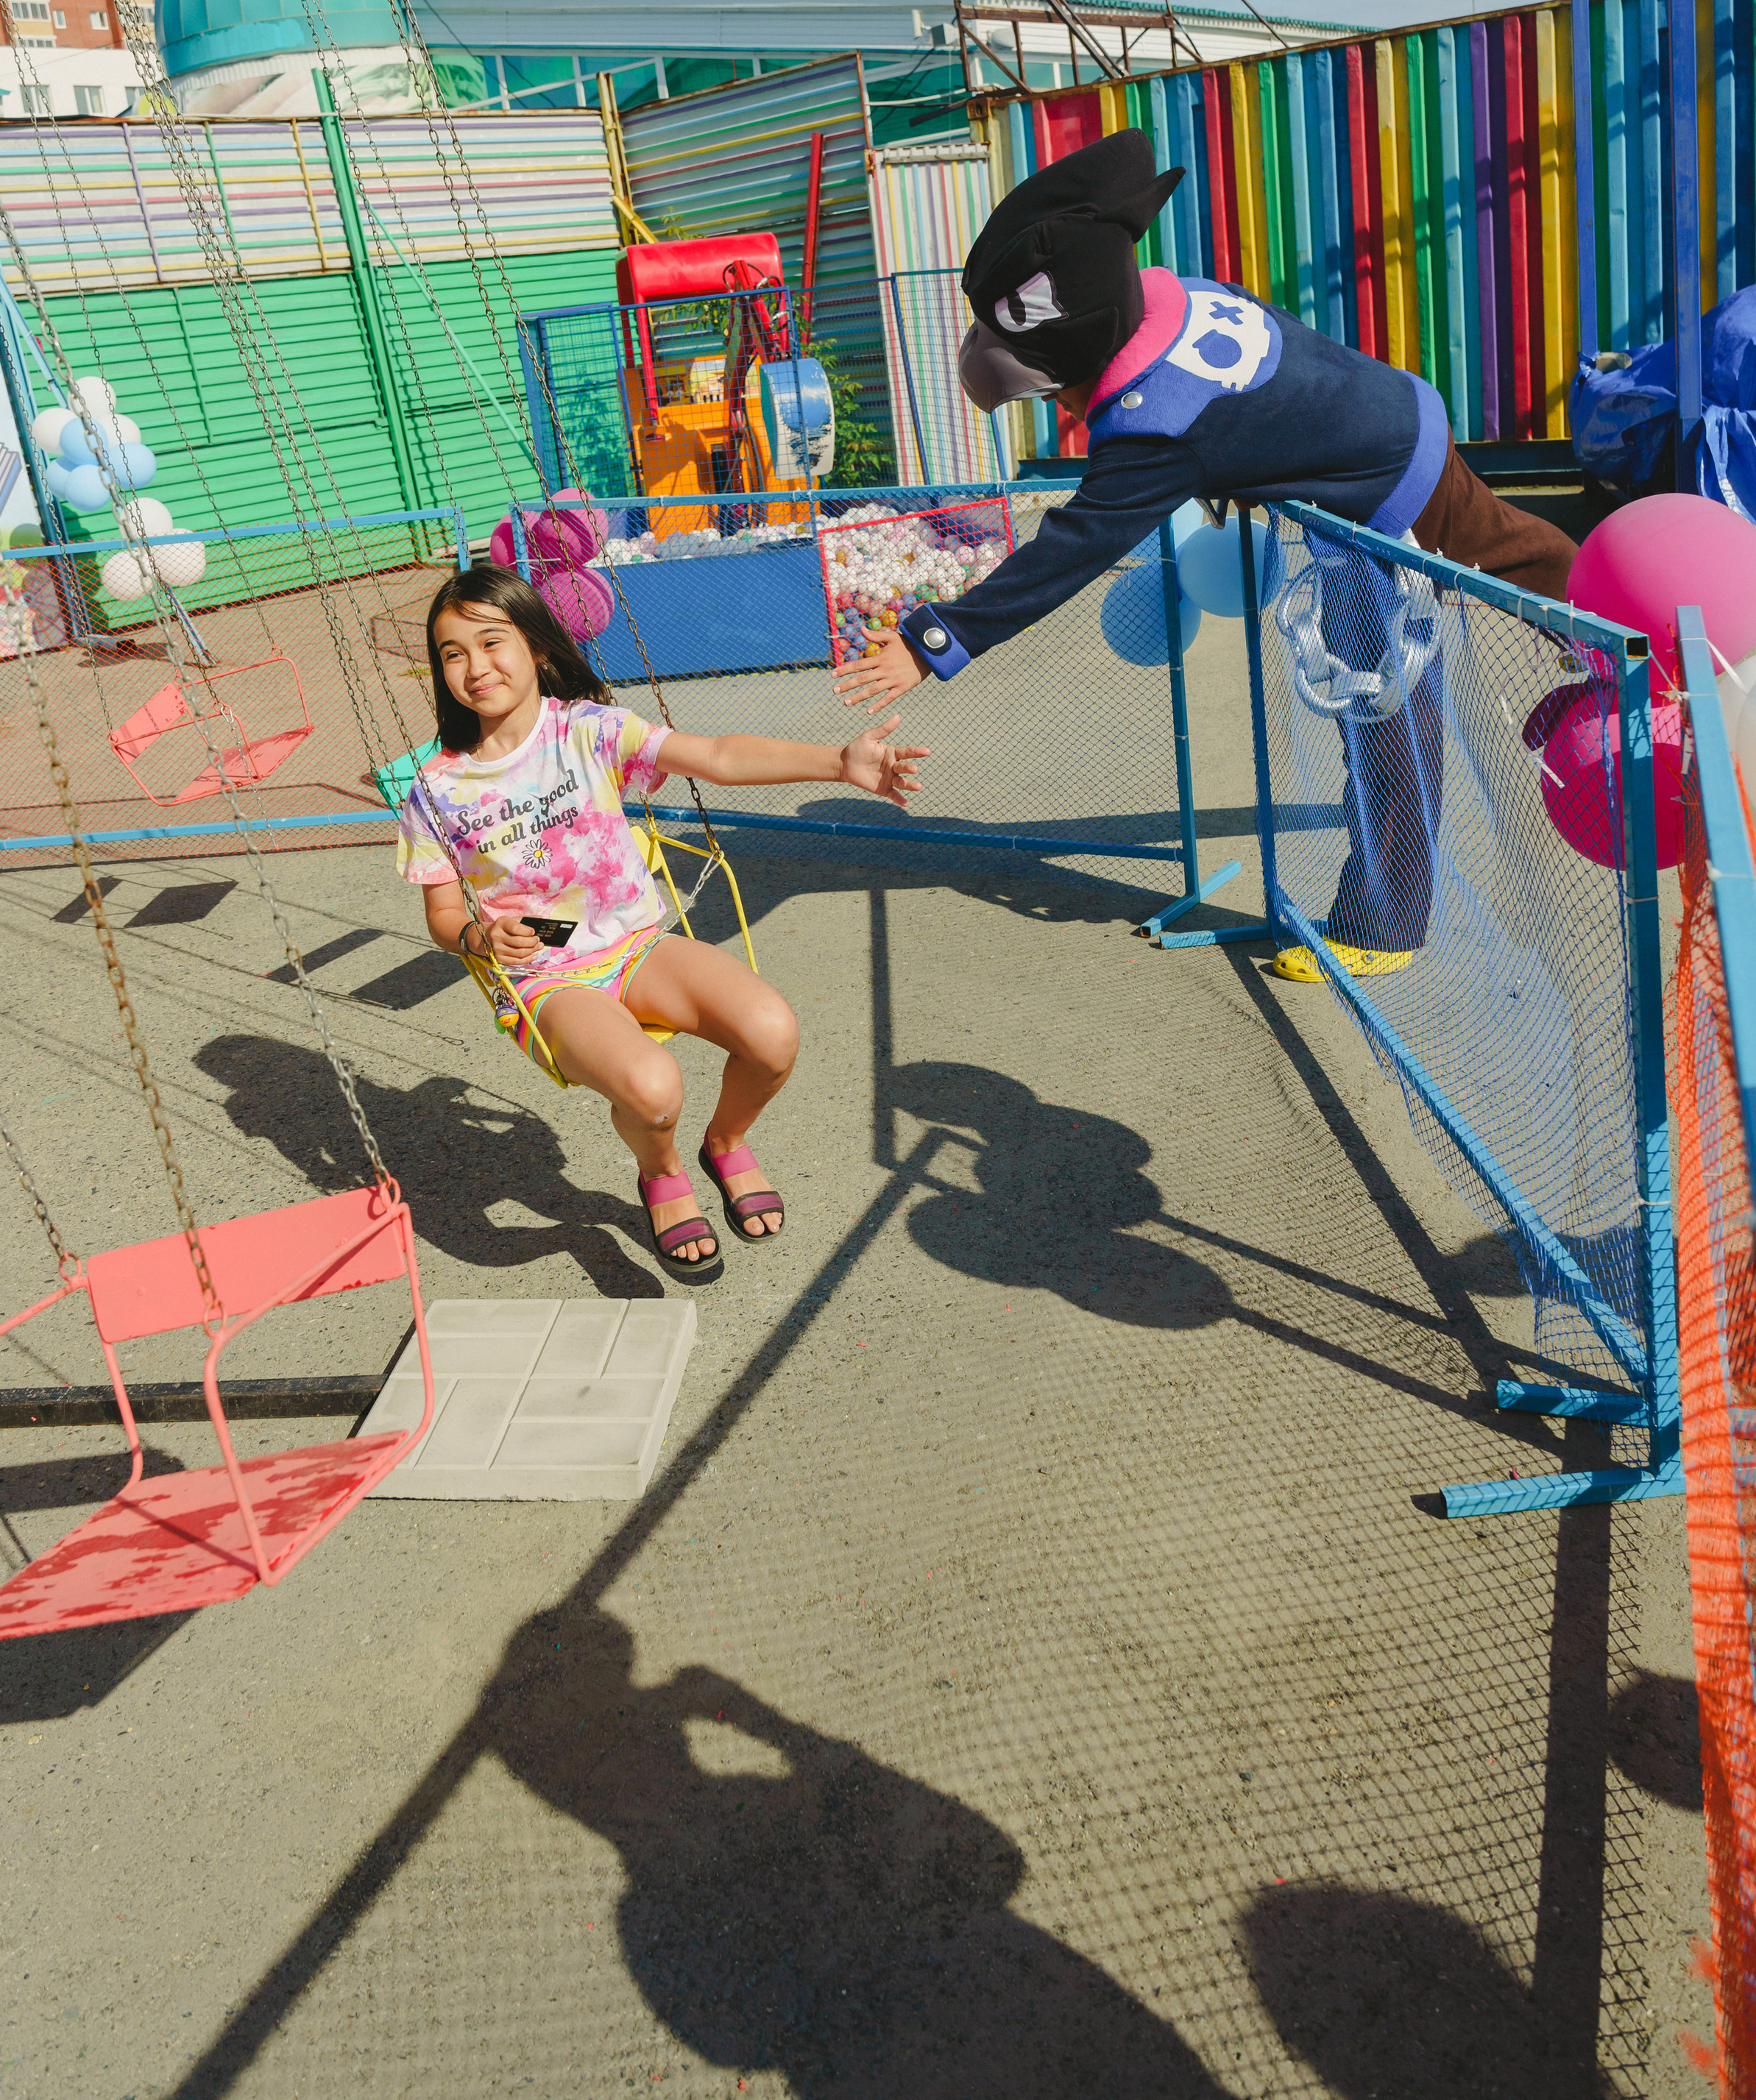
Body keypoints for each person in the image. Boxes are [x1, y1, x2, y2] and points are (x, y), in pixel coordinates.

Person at [835, 127, 1573, 978]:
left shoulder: (1154, 422)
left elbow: (1070, 549)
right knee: (1507, 556)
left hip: (1379, 493)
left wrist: (936, 641)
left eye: (1049, 390)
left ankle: (1385, 927)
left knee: (1384, 715)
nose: (1059, 408)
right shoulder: (1176, 297)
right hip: (1393, 417)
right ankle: (1614, 635)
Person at [397, 564, 924, 1278]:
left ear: (537, 648)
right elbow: (442, 913)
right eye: (452, 653)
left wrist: (837, 762)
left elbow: (717, 756)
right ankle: (662, 1170)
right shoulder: (438, 788)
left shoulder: (588, 731)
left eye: (492, 642)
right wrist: (476, 937)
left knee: (772, 1035)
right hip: (547, 977)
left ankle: (725, 1142)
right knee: (653, 1091)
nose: (474, 666)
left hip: (637, 943)